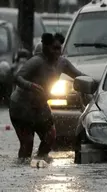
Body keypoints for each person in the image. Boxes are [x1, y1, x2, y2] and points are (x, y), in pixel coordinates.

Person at [9, 33, 86, 162]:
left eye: (59, 48)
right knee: (27, 143)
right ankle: (24, 166)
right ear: (45, 48)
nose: (57, 52)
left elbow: (79, 76)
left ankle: (41, 160)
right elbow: (17, 77)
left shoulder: (63, 63)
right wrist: (31, 85)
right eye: (53, 48)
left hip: (40, 106)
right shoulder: (36, 61)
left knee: (50, 136)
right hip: (21, 107)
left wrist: (94, 83)